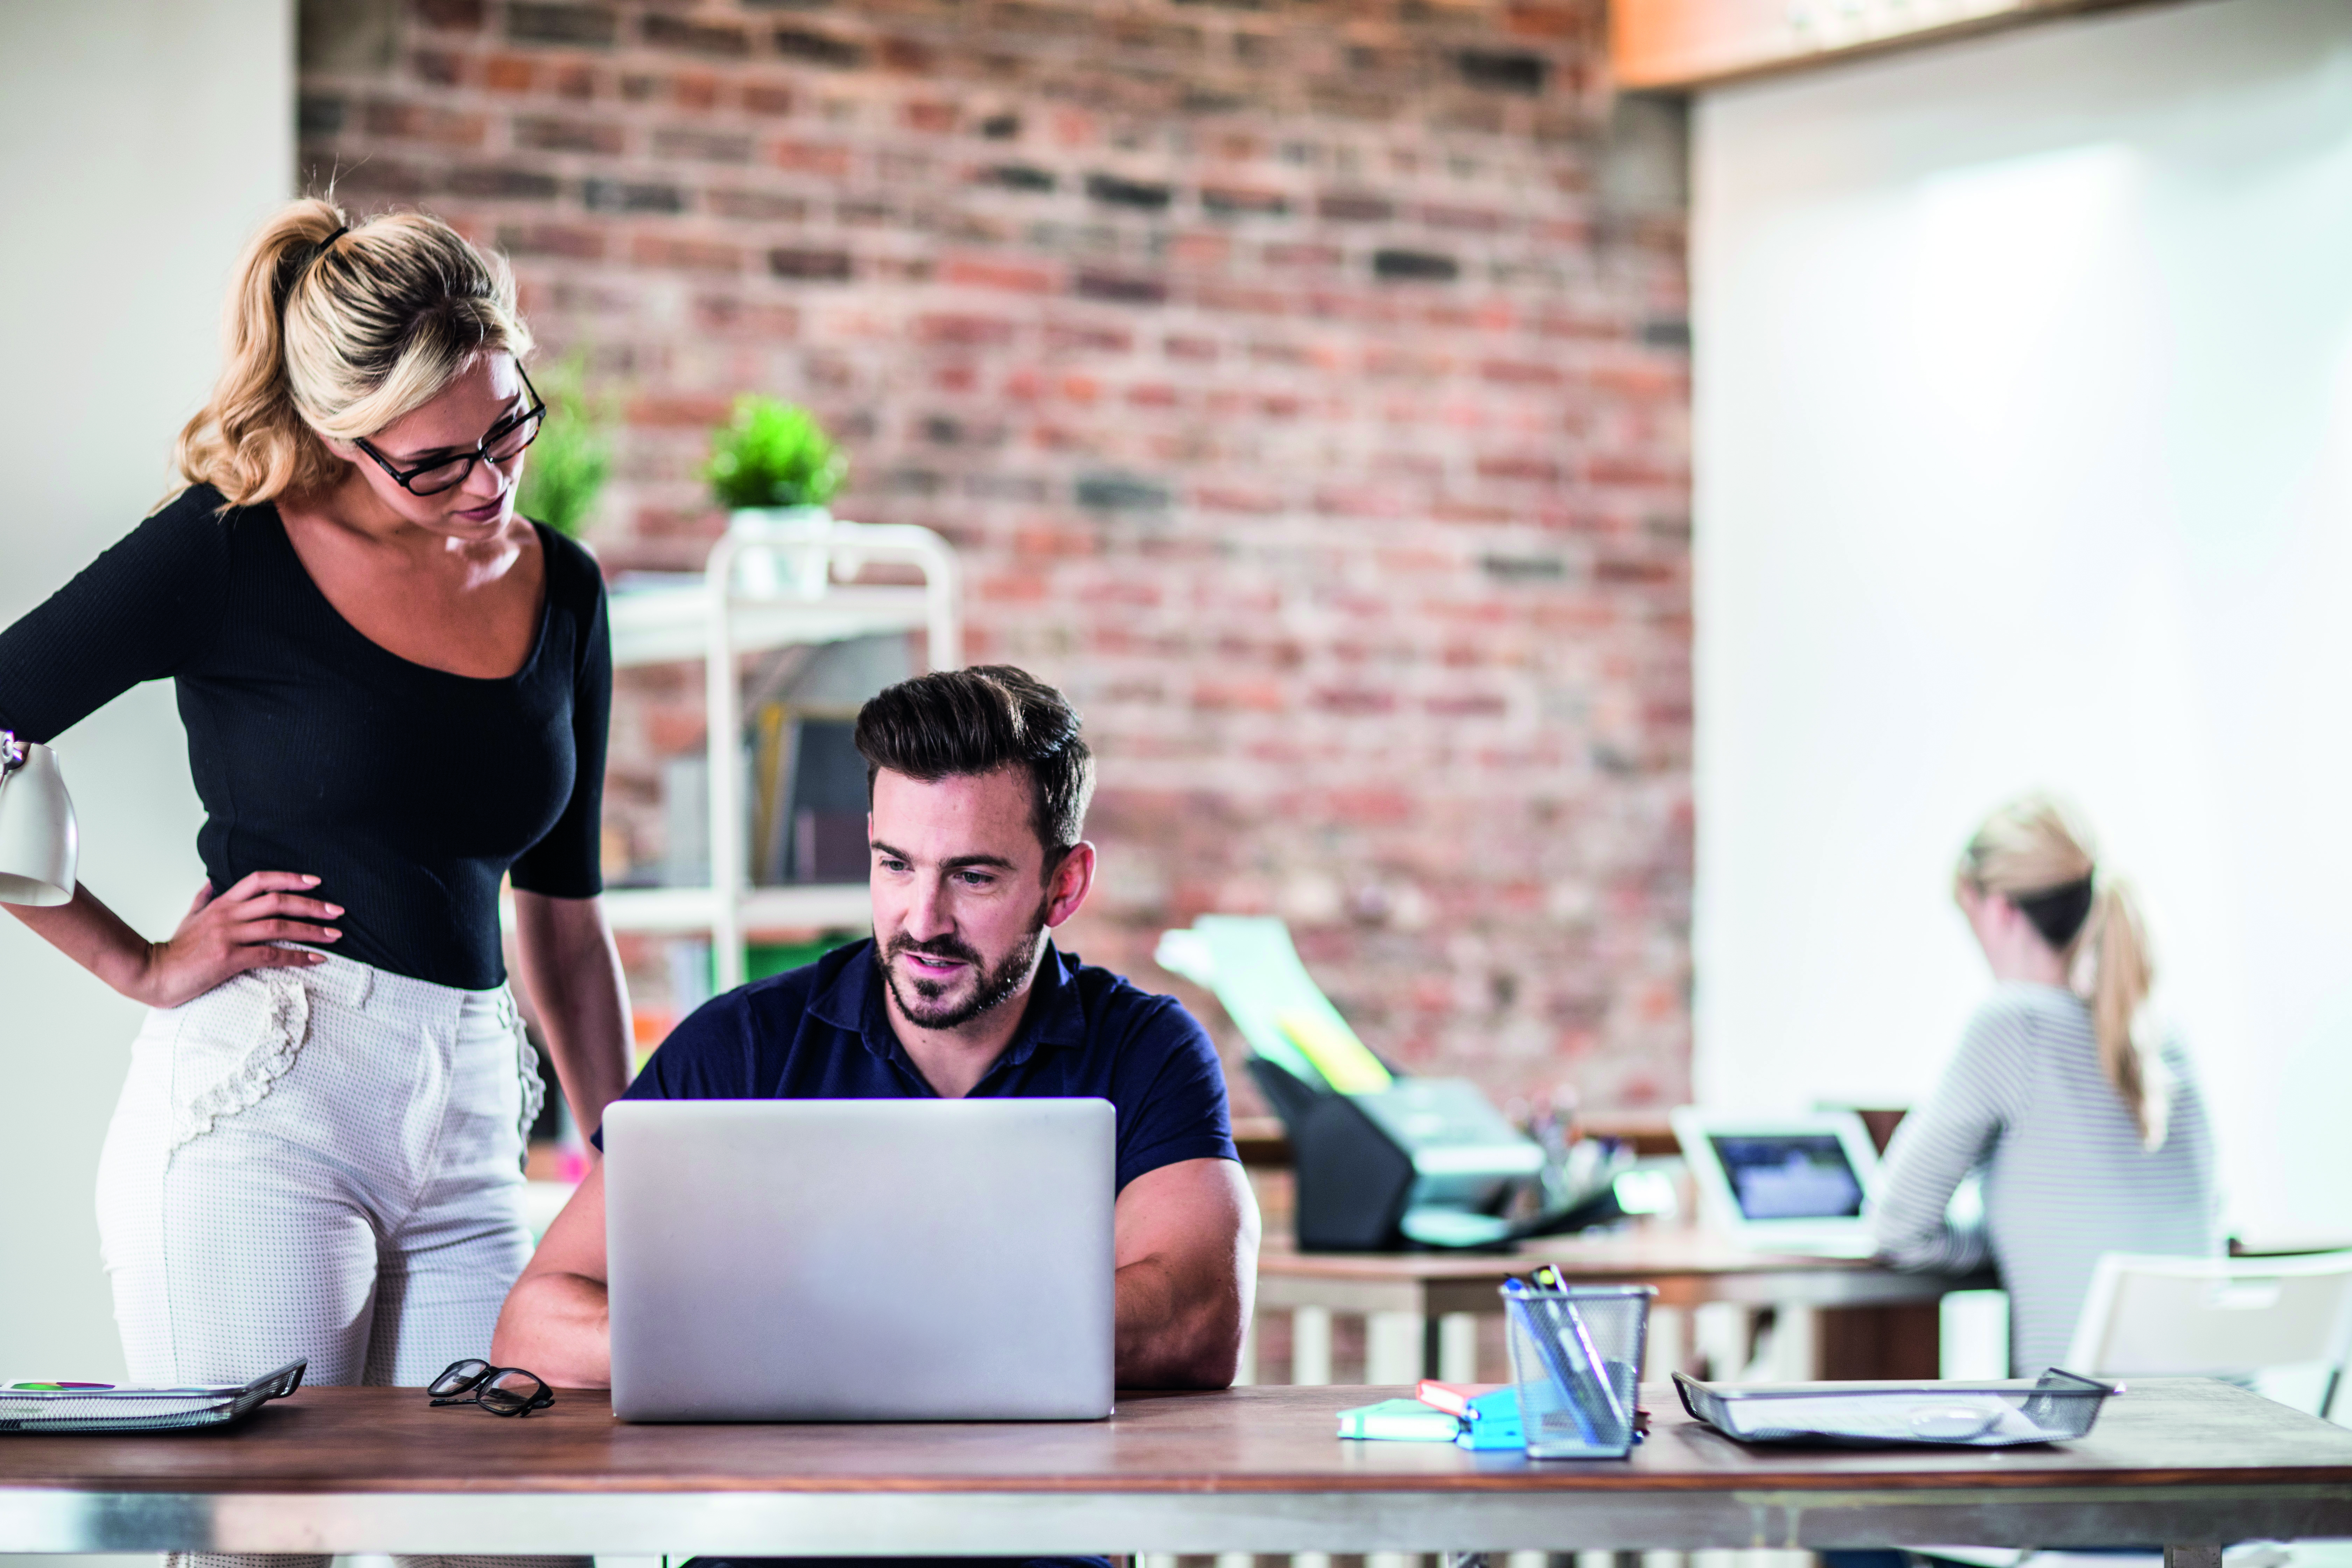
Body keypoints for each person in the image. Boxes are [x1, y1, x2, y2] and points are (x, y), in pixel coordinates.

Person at [0, 200, 631, 1438]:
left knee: (506, 1534)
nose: (489, 481)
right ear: (344, 436)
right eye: (435, 461)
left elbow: (562, 915)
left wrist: (629, 1156)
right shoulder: (227, 554)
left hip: (470, 1124)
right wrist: (138, 961)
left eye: (508, 428)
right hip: (266, 1109)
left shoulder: (566, 589)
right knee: (263, 1538)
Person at [495, 665, 1261, 1404]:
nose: (923, 921)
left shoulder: (1146, 1049)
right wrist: (788, 1341)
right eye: (896, 864)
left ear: (1064, 884)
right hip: (774, 1534)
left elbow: (1197, 1322)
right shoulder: (743, 1045)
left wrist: (850, 1333)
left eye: (974, 876)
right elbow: (534, 1325)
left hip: (1031, 1530)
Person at [1870, 794, 2218, 1375]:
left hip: (2094, 1434)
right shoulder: (2165, 1041)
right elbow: (2200, 1213)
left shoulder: (2012, 1026)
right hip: (2231, 1430)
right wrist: (2039, 1230)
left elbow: (1898, 1227)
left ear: (1999, 911)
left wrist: (2001, 1239)